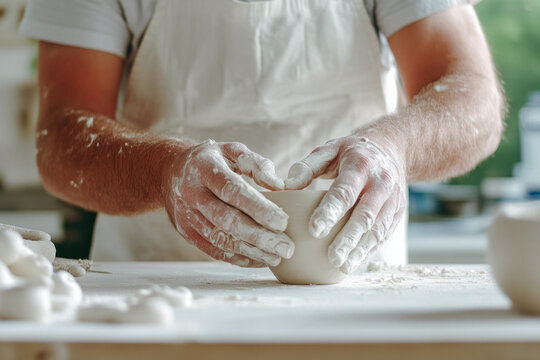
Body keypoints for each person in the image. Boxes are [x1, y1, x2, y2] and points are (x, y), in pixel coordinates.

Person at [20, 0, 504, 273]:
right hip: (156, 287)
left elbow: (471, 97)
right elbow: (61, 136)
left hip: (354, 287)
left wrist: (393, 147)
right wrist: (165, 173)